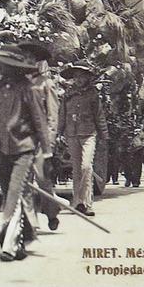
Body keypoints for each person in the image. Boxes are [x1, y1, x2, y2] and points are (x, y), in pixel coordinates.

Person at [0, 44, 53, 262]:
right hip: (0, 149)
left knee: (15, 194)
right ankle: (23, 237)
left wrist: (46, 153)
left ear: (15, 67)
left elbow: (40, 123)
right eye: (0, 65)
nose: (2, 69)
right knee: (9, 193)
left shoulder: (29, 90)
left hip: (23, 150)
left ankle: (8, 245)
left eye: (6, 65)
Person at [18, 42, 61, 231]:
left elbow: (52, 115)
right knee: (23, 180)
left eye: (30, 59)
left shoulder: (46, 84)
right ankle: (29, 220)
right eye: (24, 58)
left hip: (40, 140)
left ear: (36, 62)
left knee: (42, 179)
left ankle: (51, 212)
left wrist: (48, 144)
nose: (27, 62)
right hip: (22, 138)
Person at [58, 61, 107, 216]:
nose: (79, 79)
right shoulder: (68, 95)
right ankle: (78, 202)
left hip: (88, 134)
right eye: (76, 76)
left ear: (87, 78)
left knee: (86, 166)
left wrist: (104, 135)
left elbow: (99, 116)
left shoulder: (93, 95)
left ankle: (87, 203)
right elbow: (62, 115)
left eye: (82, 76)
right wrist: (58, 133)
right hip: (72, 134)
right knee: (76, 169)